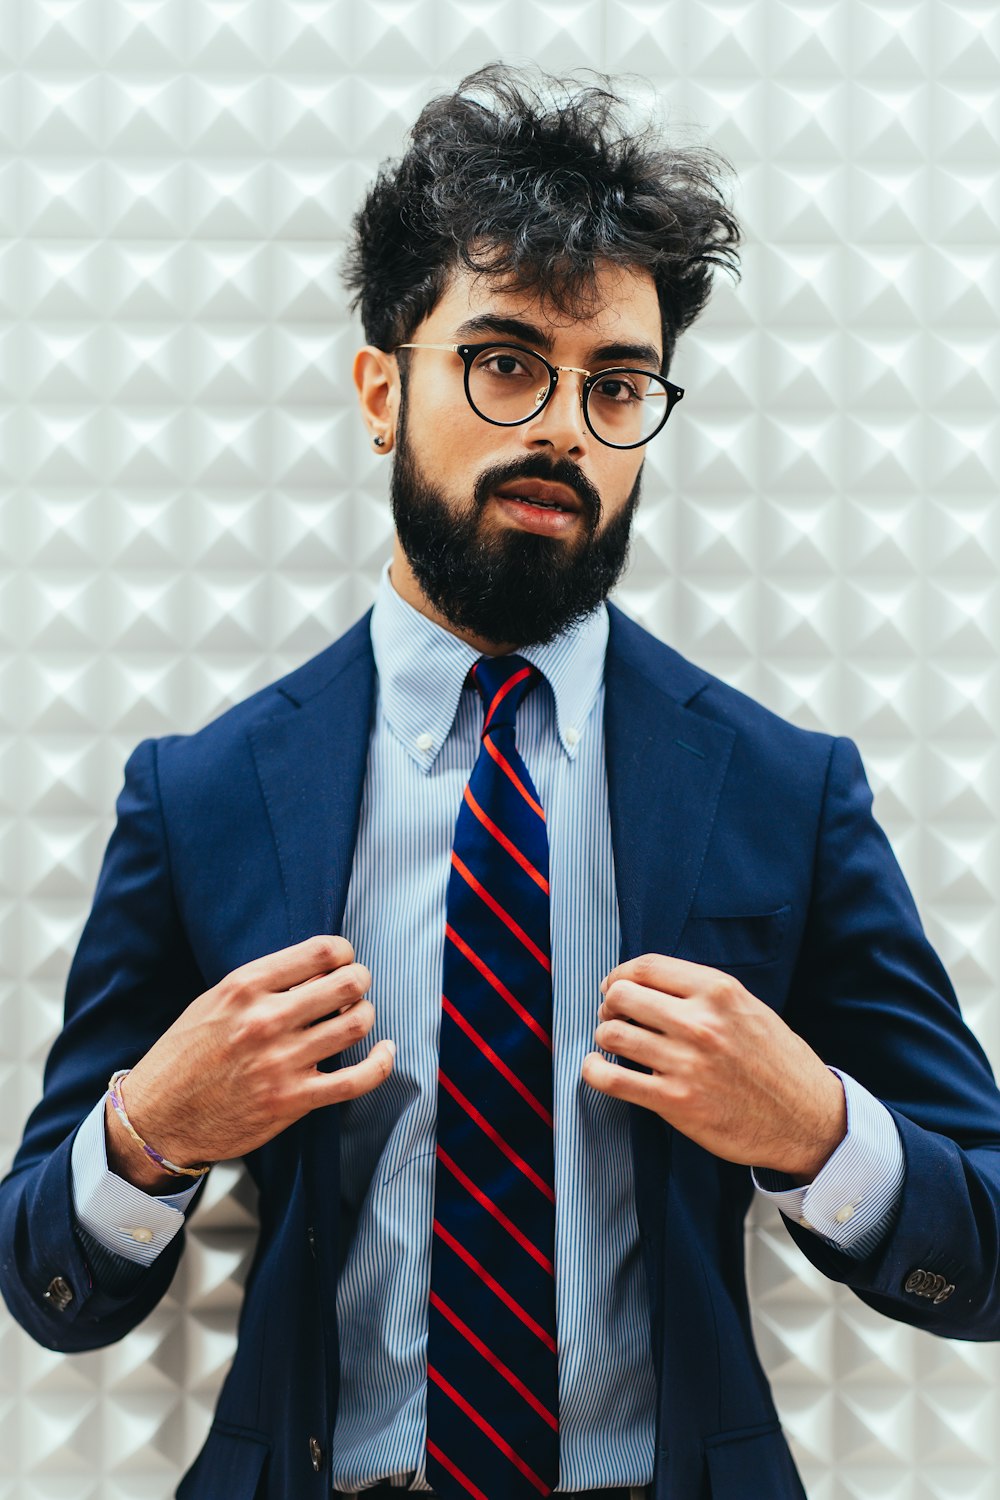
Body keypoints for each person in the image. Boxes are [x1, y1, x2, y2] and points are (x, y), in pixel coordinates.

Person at [2, 61, 999, 1500]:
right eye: (507, 361)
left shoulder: (785, 790)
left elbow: (980, 1263)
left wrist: (819, 1133)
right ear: (379, 387)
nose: (565, 432)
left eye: (617, 385)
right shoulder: (202, 792)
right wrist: (153, 1134)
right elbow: (52, 1291)